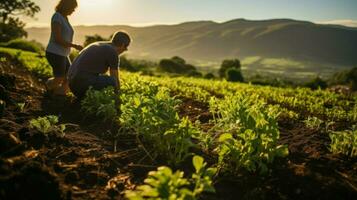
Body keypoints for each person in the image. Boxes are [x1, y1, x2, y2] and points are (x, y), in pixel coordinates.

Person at [68, 31, 131, 99]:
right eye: (126, 47)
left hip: (72, 85)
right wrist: (118, 97)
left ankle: (89, 98)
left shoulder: (98, 44)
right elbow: (115, 78)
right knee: (112, 81)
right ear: (122, 45)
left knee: (104, 78)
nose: (125, 50)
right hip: (81, 86)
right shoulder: (112, 52)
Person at [45, 0, 83, 96]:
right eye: (73, 8)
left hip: (63, 54)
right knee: (59, 78)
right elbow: (57, 39)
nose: (74, 10)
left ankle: (59, 94)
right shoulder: (57, 17)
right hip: (55, 52)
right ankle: (48, 86)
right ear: (67, 6)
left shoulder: (65, 18)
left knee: (69, 76)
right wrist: (74, 46)